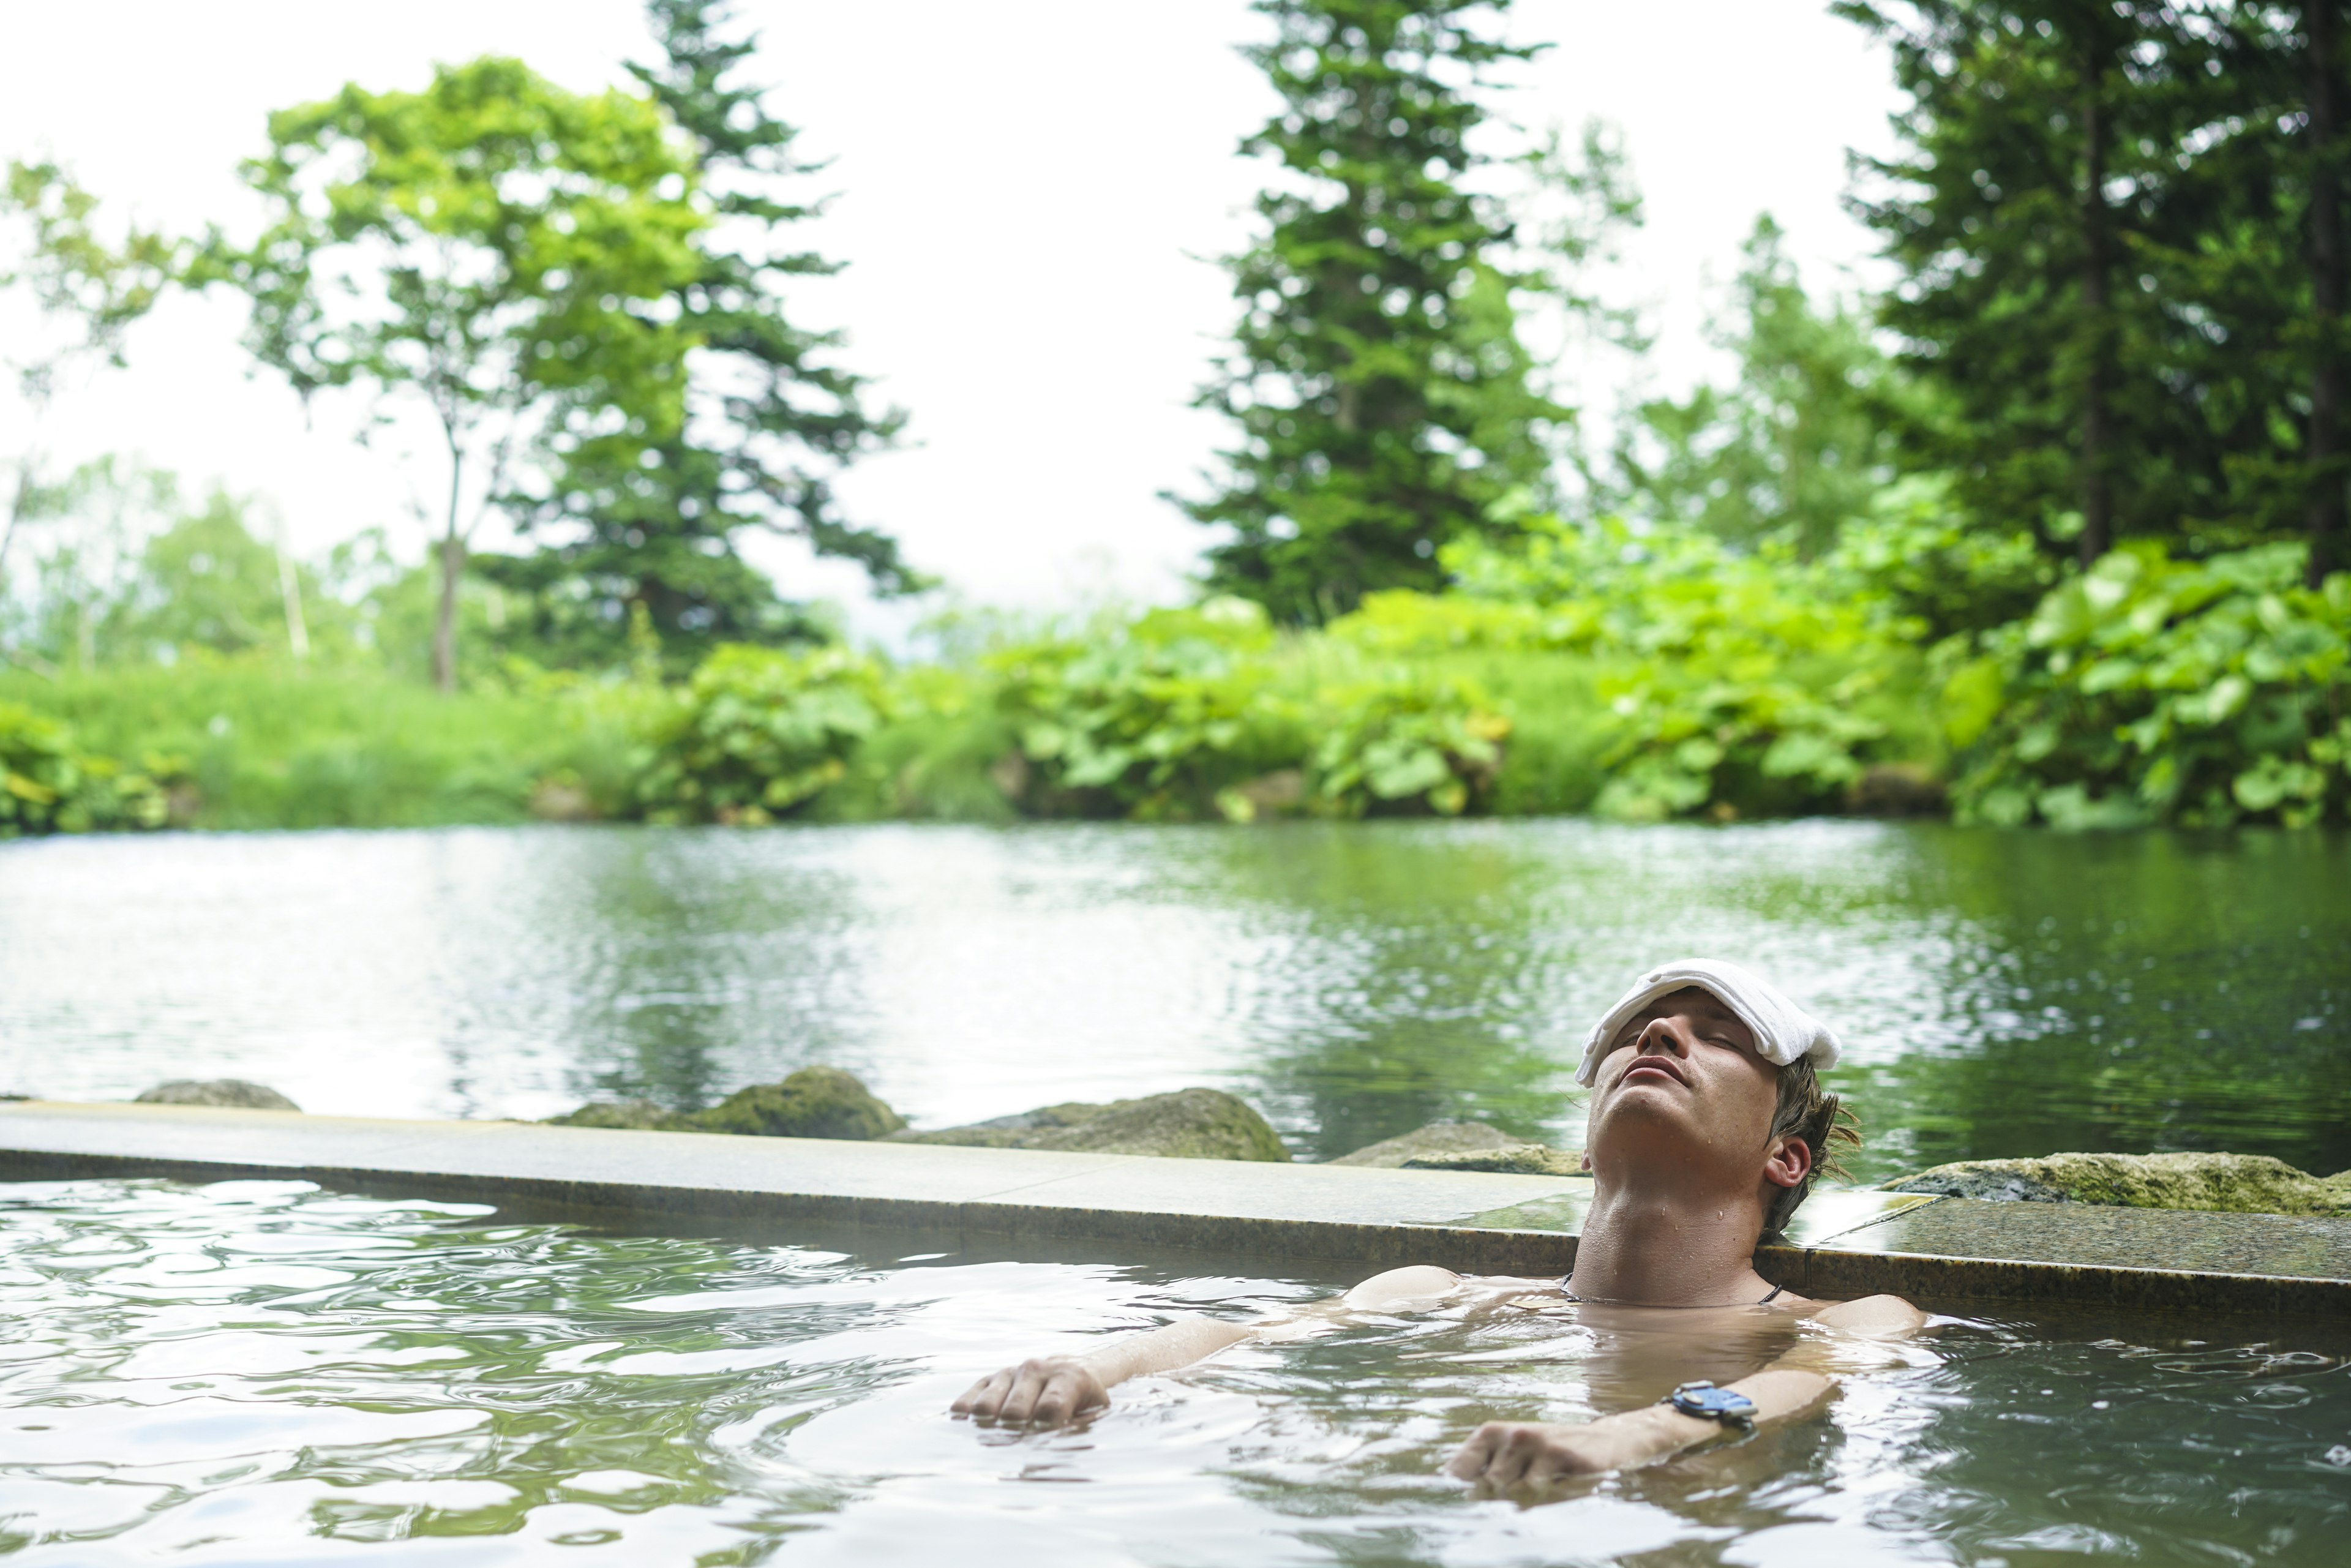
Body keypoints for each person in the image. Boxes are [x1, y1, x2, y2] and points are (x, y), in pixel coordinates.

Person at [951, 958, 1929, 1487]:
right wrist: (1095, 1366)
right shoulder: (1440, 1296)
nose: (1661, 1035)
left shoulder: (1847, 1320)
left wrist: (1625, 1441)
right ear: (1590, 1145)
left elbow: (1793, 1390)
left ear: (1784, 1155)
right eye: (1641, 1032)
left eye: (1716, 1038)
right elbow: (1242, 1338)